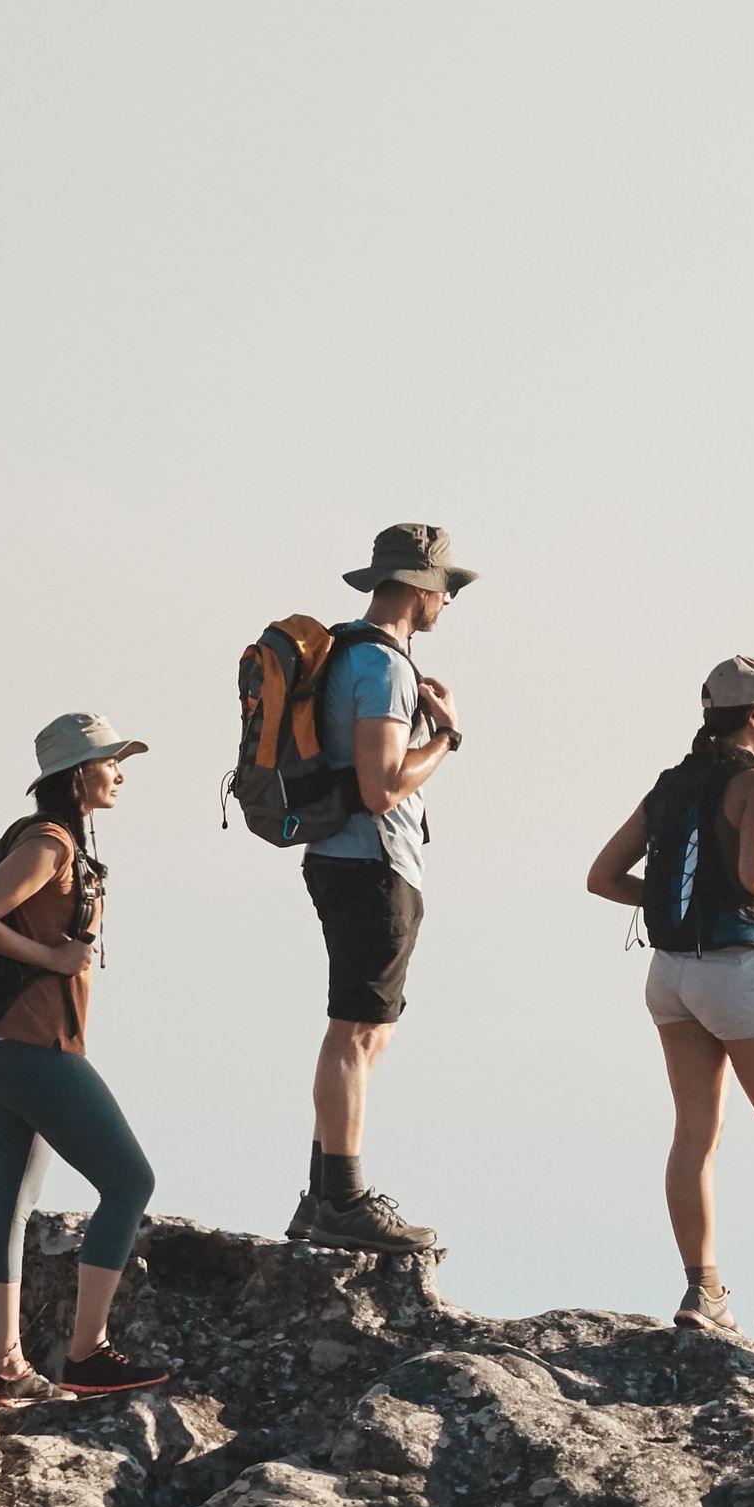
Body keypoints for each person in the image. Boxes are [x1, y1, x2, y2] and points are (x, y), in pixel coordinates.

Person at [586, 653, 754, 1345]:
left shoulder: (671, 784)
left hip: (670, 974)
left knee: (696, 1133)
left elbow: (603, 877)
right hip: (735, 974)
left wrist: (680, 903)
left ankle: (703, 1290)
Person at [0, 712, 175, 1403]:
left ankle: (10, 1373)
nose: (120, 774)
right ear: (77, 775)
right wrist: (50, 958)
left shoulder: (57, 841)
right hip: (28, 1048)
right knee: (129, 1182)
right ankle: (87, 1353)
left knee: (10, 1206)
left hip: (1, 1051)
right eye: (109, 762)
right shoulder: (49, 843)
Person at [294, 518, 468, 1257]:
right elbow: (382, 788)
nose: (448, 603)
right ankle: (343, 1200)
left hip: (343, 858)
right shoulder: (385, 668)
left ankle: (322, 1195)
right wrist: (446, 738)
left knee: (368, 1030)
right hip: (371, 862)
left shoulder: (348, 654)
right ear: (421, 588)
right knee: (356, 1030)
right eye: (446, 589)